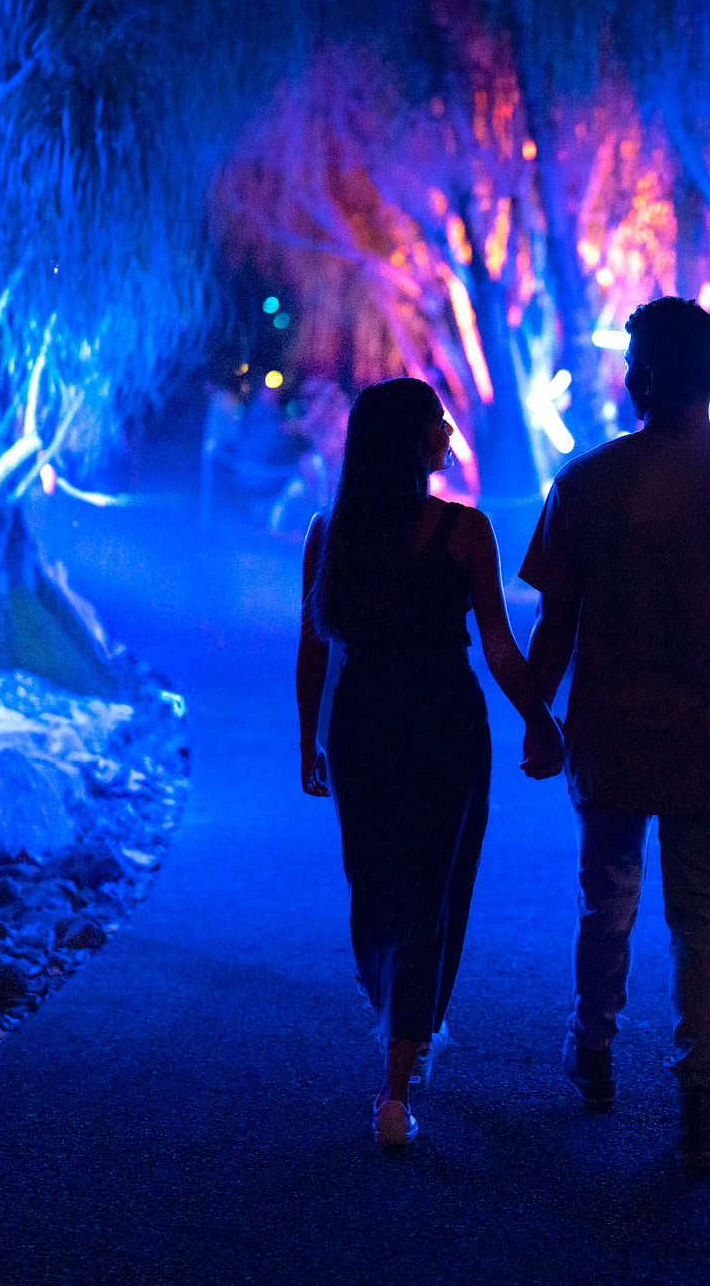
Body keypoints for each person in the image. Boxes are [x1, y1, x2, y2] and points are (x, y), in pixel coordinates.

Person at [520, 297, 710, 1173]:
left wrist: (541, 717)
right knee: (702, 917)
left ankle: (595, 1053)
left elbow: (556, 629)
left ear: (641, 377)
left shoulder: (585, 484)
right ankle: (699, 1102)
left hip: (612, 730)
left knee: (606, 898)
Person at [296, 377, 565, 1148]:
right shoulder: (464, 532)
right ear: (411, 440)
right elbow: (501, 649)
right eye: (437, 421)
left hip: (362, 718)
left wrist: (308, 740)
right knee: (432, 893)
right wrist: (541, 723)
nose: (450, 429)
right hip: (446, 717)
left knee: (377, 885)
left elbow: (313, 651)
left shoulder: (331, 530)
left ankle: (396, 1068)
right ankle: (403, 1047)